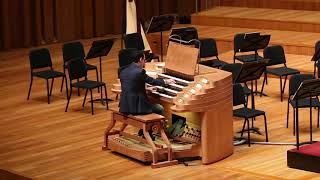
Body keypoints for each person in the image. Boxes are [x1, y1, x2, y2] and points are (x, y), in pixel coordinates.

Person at [119, 49, 175, 115]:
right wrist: (165, 81)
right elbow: (152, 81)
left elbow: (131, 86)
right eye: (144, 60)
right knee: (159, 108)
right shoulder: (139, 71)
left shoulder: (124, 70)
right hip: (137, 109)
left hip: (125, 106)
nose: (145, 62)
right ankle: (162, 124)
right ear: (140, 59)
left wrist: (146, 89)